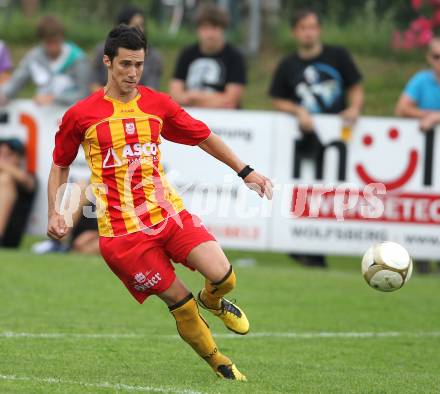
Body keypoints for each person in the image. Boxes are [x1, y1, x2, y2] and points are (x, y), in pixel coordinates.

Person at [47, 25, 272, 380]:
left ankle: (212, 300)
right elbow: (60, 165)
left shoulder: (157, 104)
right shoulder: (82, 114)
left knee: (224, 276)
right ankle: (220, 363)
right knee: (182, 306)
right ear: (107, 62)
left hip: (169, 216)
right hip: (123, 238)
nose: (133, 73)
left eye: (139, 64)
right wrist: (57, 212)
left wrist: (245, 171)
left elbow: (204, 137)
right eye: (125, 65)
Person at [269, 8, 364, 268]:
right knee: (304, 193)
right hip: (303, 141)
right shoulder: (288, 64)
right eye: (303, 27)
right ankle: (305, 249)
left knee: (333, 193)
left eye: (312, 26)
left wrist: (354, 109)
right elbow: (277, 99)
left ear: (319, 29)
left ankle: (319, 251)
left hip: (339, 139)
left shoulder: (338, 56)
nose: (308, 32)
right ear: (295, 32)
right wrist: (298, 110)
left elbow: (355, 87)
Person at [395, 36, 440, 274]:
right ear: (429, 58)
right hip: (426, 161)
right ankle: (421, 256)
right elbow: (401, 108)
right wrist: (428, 114)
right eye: (436, 57)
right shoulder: (422, 80)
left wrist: (436, 117)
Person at [0, 15, 89, 106]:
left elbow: (85, 93)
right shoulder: (34, 57)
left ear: (62, 38)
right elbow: (17, 81)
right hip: (41, 114)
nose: (52, 48)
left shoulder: (78, 59)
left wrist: (54, 99)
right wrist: (4, 95)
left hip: (70, 113)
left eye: (56, 41)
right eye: (48, 42)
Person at [170, 4, 246, 109]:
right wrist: (214, 99)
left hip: (225, 120)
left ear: (223, 29)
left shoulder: (235, 57)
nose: (210, 34)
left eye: (214, 28)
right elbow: (175, 94)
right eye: (205, 28)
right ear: (198, 30)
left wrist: (194, 98)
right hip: (190, 117)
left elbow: (231, 99)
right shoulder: (187, 54)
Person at [90, 6, 162, 92]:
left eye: (142, 25)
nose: (140, 29)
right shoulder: (102, 50)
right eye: (125, 64)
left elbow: (151, 89)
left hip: (141, 102)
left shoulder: (153, 55)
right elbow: (93, 84)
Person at [0, 138, 37, 248]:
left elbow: (25, 180)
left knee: (5, 179)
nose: (3, 158)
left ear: (20, 158)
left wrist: (3, 166)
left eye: (9, 155)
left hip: (8, 238)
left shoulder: (29, 178)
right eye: (1, 153)